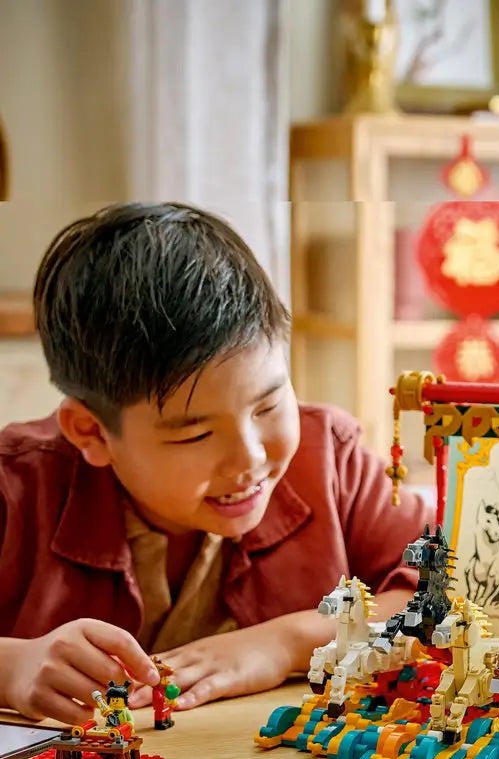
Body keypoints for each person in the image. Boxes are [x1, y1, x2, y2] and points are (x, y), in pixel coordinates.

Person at [0, 202, 429, 726]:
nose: (250, 458)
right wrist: (11, 666)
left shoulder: (331, 460)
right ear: (92, 432)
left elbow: (445, 590)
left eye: (269, 405)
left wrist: (289, 642)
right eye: (196, 433)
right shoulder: (16, 487)